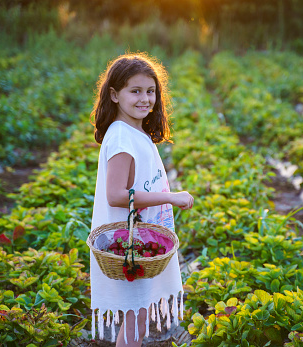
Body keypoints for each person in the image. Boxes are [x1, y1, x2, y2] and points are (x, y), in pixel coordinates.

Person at [89, 53, 194, 347]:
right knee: (137, 313)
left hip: (140, 242)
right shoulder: (122, 138)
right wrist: (169, 197)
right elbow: (117, 195)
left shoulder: (135, 131)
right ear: (114, 94)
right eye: (135, 91)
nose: (145, 98)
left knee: (141, 312)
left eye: (150, 91)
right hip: (130, 246)